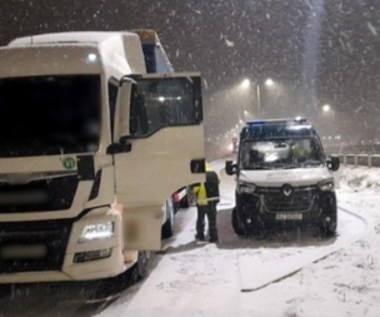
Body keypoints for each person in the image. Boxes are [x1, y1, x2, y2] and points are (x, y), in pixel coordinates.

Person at [193, 165, 220, 243]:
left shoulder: (199, 175)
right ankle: (214, 236)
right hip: (213, 199)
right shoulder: (214, 173)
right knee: (212, 218)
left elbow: (195, 188)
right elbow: (218, 182)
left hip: (203, 199)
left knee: (201, 218)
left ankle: (200, 235)